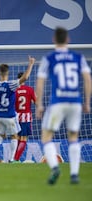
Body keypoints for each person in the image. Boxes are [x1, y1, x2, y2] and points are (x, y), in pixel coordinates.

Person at [36, 27, 91, 185]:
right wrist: (87, 102)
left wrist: (39, 104)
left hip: (57, 102)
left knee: (46, 136)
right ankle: (74, 174)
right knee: (73, 137)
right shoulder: (78, 57)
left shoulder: (49, 58)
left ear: (54, 40)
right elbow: (87, 79)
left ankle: (54, 168)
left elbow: (40, 82)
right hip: (75, 102)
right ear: (68, 39)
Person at [0, 56, 35, 163]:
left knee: (0, 136)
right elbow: (25, 78)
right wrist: (31, 64)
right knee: (14, 136)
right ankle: (12, 159)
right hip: (10, 116)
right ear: (7, 73)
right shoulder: (11, 85)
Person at [13, 72, 37, 162]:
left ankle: (14, 158)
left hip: (15, 117)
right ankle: (16, 159)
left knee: (17, 138)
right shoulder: (30, 89)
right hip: (25, 117)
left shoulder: (14, 90)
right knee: (24, 139)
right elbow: (36, 102)